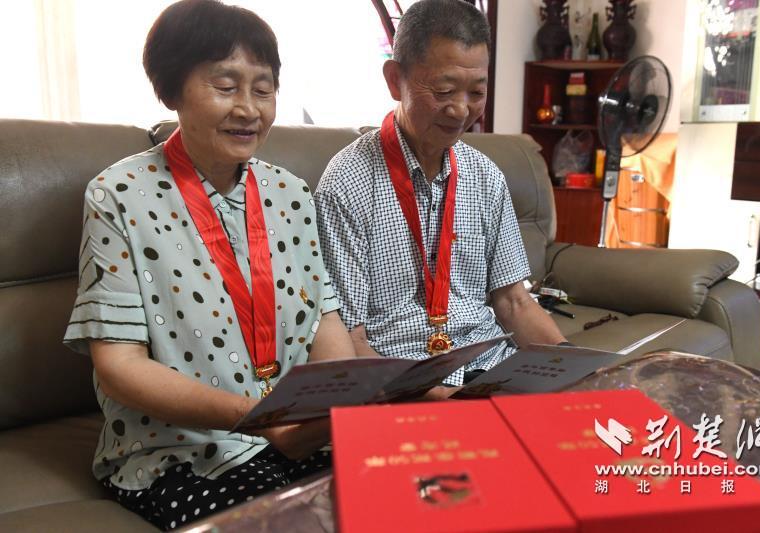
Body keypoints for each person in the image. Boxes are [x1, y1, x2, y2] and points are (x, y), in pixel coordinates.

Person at [63, 1, 353, 529]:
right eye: (225, 86)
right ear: (171, 90)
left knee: (407, 495)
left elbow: (324, 318)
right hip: (182, 452)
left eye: (263, 89)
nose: (248, 109)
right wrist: (259, 420)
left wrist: (332, 403)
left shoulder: (291, 192)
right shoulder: (117, 195)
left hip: (299, 435)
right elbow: (119, 365)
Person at [314, 0, 567, 390]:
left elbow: (513, 302)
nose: (461, 110)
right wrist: (438, 398)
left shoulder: (485, 176)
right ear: (394, 79)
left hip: (493, 370)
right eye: (444, 90)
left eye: (476, 92)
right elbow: (350, 337)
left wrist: (572, 368)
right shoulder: (347, 184)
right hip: (405, 385)